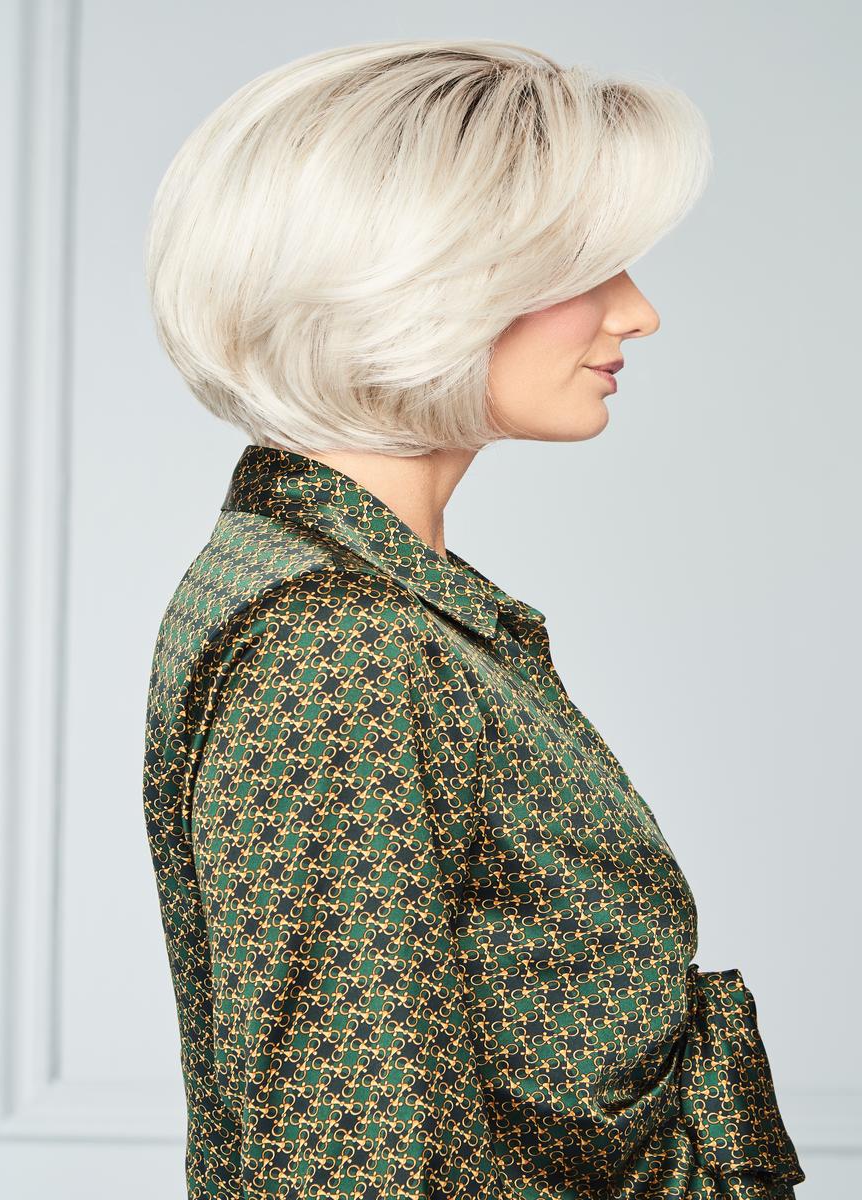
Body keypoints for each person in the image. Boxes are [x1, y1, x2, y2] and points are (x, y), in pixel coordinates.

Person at [141, 38, 805, 1200]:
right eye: (587, 270)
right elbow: (352, 1153)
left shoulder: (365, 595)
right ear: (419, 280)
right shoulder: (338, 638)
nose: (638, 312)